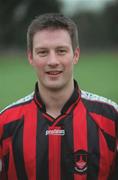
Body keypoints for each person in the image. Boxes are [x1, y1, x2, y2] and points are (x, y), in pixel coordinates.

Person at [0, 13, 118, 180]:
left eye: (61, 51)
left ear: (75, 55)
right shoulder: (6, 122)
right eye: (42, 52)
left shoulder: (110, 117)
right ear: (30, 57)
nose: (53, 61)